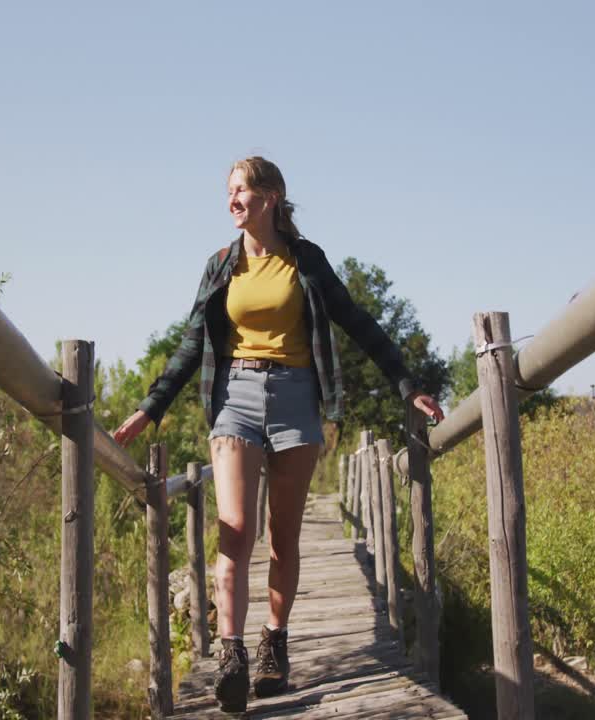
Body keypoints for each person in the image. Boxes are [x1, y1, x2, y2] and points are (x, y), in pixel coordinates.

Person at [114, 156, 443, 714]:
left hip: (296, 398)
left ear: (270, 197)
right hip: (235, 398)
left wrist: (407, 385)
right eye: (228, 191)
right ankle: (232, 654)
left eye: (241, 190)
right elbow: (192, 343)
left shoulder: (306, 260)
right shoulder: (221, 264)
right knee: (235, 531)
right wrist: (151, 408)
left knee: (283, 536)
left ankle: (274, 641)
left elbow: (358, 322)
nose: (231, 200)